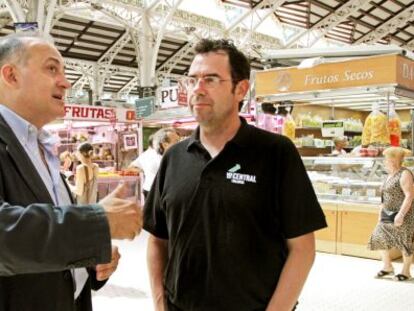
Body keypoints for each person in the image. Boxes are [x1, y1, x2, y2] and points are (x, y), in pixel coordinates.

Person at [144, 38, 327, 311]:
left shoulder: (276, 152)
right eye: (192, 80)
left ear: (240, 88)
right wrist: (160, 305)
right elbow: (158, 241)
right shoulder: (174, 157)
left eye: (211, 79)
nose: (198, 89)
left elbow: (302, 249)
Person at [0, 33, 141, 311]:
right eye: (51, 68)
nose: (65, 82)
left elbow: (46, 238)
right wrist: (96, 223)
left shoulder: (41, 146)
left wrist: (89, 258)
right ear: (11, 75)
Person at [368, 146, 414, 281]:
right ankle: (387, 266)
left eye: (387, 159)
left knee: (404, 241)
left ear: (394, 160)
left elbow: (409, 195)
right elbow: (384, 196)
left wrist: (401, 214)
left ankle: (406, 271)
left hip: (403, 213)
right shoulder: (390, 174)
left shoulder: (405, 173)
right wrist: (380, 213)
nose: (385, 161)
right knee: (378, 237)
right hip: (387, 213)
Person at [129, 128, 179, 199]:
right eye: (176, 141)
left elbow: (131, 167)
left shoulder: (146, 154)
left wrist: (145, 171)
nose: (179, 144)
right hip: (157, 191)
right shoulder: (162, 156)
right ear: (164, 144)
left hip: (149, 188)